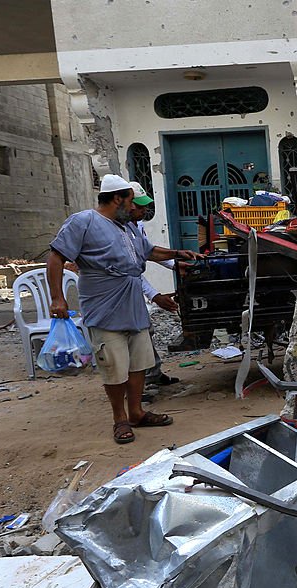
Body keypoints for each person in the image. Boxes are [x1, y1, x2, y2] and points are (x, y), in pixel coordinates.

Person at [46, 174, 203, 444]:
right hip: (103, 308)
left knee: (138, 364)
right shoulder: (84, 222)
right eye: (131, 201)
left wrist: (178, 254)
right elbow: (56, 257)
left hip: (133, 307)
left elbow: (149, 251)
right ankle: (120, 419)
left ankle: (136, 412)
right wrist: (57, 298)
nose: (134, 208)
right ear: (117, 198)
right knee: (114, 368)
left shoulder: (127, 227)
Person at [126, 182, 180, 391]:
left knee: (145, 331)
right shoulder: (121, 230)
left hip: (132, 290)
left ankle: (153, 372)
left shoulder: (136, 226)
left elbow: (149, 253)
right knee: (134, 335)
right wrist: (155, 295)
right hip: (121, 293)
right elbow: (132, 271)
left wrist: (176, 264)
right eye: (139, 207)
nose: (143, 211)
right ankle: (142, 385)